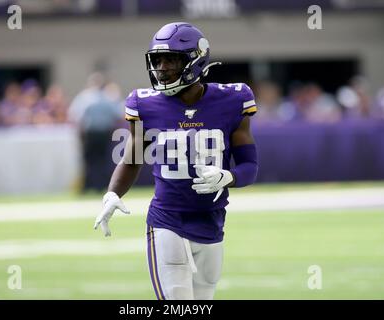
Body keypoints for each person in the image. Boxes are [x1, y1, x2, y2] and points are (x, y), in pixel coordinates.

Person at [93, 22, 259, 300]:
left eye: (171, 59)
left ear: (196, 60)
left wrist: (229, 177)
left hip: (212, 220)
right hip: (166, 220)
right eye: (157, 60)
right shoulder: (144, 103)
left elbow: (250, 166)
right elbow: (133, 158)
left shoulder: (233, 100)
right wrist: (112, 193)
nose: (162, 67)